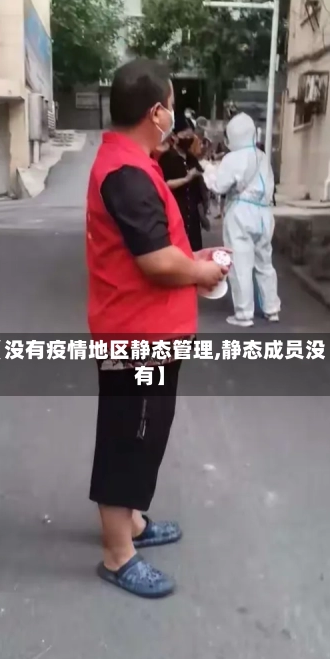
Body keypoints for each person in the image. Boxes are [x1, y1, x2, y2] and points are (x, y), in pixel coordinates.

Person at [86, 58, 229, 599]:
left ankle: (132, 523)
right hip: (135, 336)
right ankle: (117, 554)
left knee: (146, 429)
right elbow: (154, 261)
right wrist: (201, 272)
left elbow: (158, 247)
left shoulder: (134, 164)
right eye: (170, 104)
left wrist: (193, 258)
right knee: (128, 435)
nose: (173, 114)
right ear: (155, 112)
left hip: (150, 331)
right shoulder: (125, 173)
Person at [207, 111, 280, 328]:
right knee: (265, 264)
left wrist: (208, 173)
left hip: (241, 212)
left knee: (240, 265)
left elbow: (219, 186)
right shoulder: (262, 157)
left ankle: (244, 314)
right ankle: (271, 309)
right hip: (264, 213)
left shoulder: (232, 158)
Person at [157, 121, 208, 251]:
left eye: (190, 136)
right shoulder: (166, 158)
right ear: (174, 136)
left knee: (195, 251)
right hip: (176, 214)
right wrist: (186, 179)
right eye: (185, 135)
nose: (188, 139)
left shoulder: (192, 159)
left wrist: (202, 215)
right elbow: (164, 184)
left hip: (193, 217)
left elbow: (199, 188)